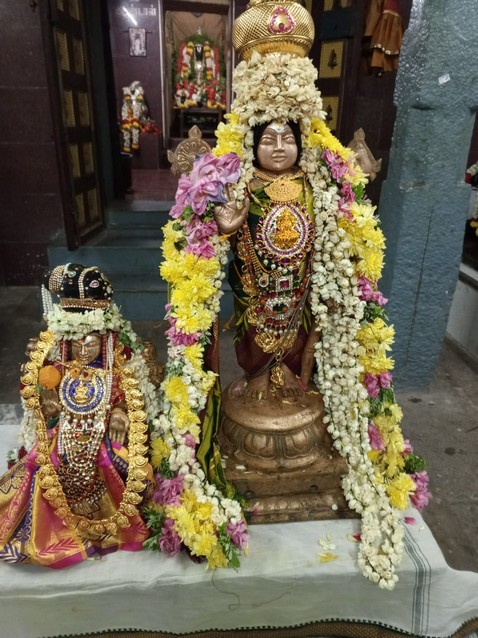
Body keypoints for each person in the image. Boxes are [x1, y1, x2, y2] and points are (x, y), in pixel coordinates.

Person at [0, 264, 156, 567]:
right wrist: (47, 399)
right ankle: (54, 528)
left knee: (116, 463)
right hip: (64, 433)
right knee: (45, 463)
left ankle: (109, 524)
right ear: (67, 342)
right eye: (77, 344)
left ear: (104, 341)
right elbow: (41, 394)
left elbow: (127, 398)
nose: (83, 352)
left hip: (103, 435)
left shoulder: (114, 367)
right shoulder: (58, 367)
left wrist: (119, 414)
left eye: (91, 344)